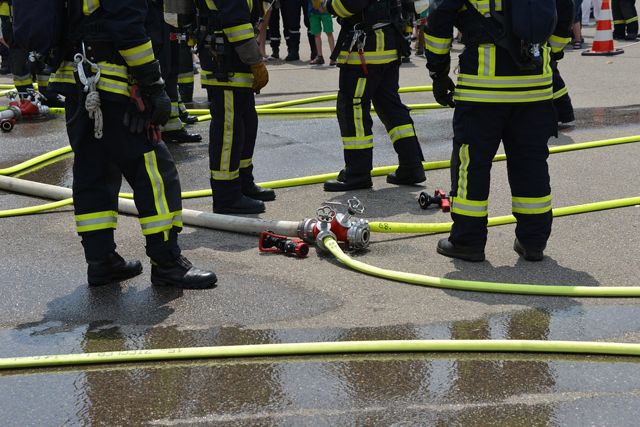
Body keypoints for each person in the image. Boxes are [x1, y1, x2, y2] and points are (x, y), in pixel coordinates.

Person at [36, 0, 218, 288]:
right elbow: (128, 27)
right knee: (155, 172)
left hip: (78, 82)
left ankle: (101, 262)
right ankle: (167, 263)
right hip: (114, 86)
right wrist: (152, 84)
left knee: (93, 172)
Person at [425, 0, 574, 262]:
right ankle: (533, 242)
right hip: (535, 88)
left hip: (483, 90)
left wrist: (438, 72)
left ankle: (467, 241)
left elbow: (440, 17)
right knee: (531, 164)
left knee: (472, 164)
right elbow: (565, 11)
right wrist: (549, 52)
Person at [322, 0, 426, 192]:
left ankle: (357, 173)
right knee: (391, 107)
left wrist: (328, 5)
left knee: (353, 109)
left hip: (366, 52)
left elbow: (346, 6)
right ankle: (412, 166)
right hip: (388, 46)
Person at [192, 0, 275, 214]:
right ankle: (226, 195)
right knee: (229, 131)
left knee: (246, 124)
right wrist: (255, 61)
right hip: (225, 64)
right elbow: (235, 24)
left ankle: (243, 183)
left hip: (234, 60)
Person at [308, 0, 335, 65]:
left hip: (325, 10)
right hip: (313, 11)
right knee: (317, 35)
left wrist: (333, 9)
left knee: (329, 33)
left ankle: (333, 57)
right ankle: (320, 57)